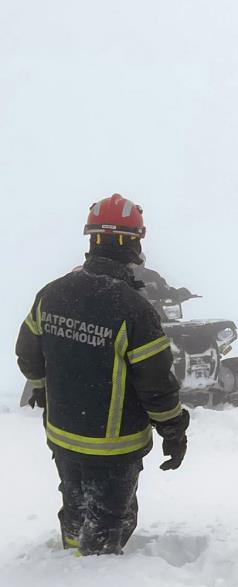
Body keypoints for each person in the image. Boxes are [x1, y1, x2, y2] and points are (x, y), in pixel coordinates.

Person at [15, 193, 190, 554]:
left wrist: (42, 388)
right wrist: (173, 430)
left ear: (92, 240)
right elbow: (156, 386)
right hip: (114, 448)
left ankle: (70, 562)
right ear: (134, 245)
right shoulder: (133, 308)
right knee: (109, 525)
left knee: (76, 512)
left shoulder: (53, 293)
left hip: (63, 437)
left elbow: (27, 355)